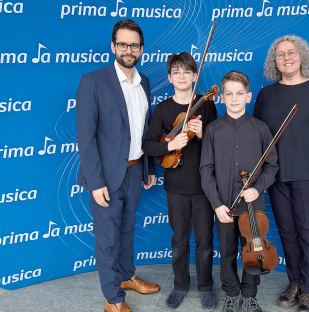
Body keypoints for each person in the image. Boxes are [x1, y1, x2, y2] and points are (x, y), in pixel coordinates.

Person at [76, 19, 160, 312]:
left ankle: (125, 276)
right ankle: (112, 298)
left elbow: (144, 130)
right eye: (122, 44)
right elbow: (85, 138)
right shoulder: (93, 81)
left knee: (127, 229)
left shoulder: (144, 82)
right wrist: (95, 181)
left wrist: (149, 168)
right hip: (106, 176)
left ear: (141, 49)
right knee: (108, 237)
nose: (128, 49)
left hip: (135, 170)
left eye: (134, 45)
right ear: (113, 46)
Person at [253, 35, 309, 312]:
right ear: (274, 62)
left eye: (291, 53)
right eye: (280, 55)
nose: (286, 58)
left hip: (308, 177)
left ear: (302, 56)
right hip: (276, 177)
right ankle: (294, 282)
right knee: (288, 233)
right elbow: (258, 137)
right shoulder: (266, 95)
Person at [143, 52, 217, 309]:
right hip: (175, 188)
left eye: (187, 71)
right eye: (176, 72)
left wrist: (202, 133)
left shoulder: (206, 105)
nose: (182, 76)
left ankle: (206, 285)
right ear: (169, 77)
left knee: (205, 241)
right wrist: (171, 144)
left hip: (204, 187)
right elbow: (149, 145)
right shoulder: (163, 109)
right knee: (180, 241)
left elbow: (218, 144)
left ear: (195, 76)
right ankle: (180, 285)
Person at [200, 71, 278, 312]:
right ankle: (232, 294)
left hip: (253, 205)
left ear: (248, 96)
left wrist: (257, 188)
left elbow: (272, 165)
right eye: (229, 94)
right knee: (227, 252)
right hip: (224, 205)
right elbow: (206, 169)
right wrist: (216, 203)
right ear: (222, 97)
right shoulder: (213, 130)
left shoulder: (261, 128)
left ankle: (250, 295)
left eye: (239, 93)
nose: (234, 98)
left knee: (254, 251)